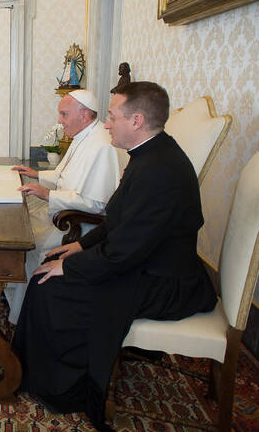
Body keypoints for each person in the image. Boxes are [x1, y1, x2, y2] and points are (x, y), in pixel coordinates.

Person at [12, 82, 217, 431]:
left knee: (50, 285)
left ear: (136, 120)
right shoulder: (150, 157)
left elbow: (125, 251)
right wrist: (80, 246)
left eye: (111, 116)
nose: (106, 124)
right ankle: (31, 372)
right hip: (144, 263)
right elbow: (118, 219)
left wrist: (71, 266)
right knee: (49, 273)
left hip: (165, 282)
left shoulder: (159, 171)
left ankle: (63, 388)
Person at [4, 90, 123, 324]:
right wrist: (37, 175)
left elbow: (97, 204)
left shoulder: (101, 146)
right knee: (15, 219)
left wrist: (48, 194)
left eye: (64, 114)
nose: (59, 120)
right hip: (63, 212)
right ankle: (14, 292)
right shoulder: (83, 135)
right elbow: (65, 177)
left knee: (25, 236)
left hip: (80, 225)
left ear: (85, 114)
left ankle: (29, 310)